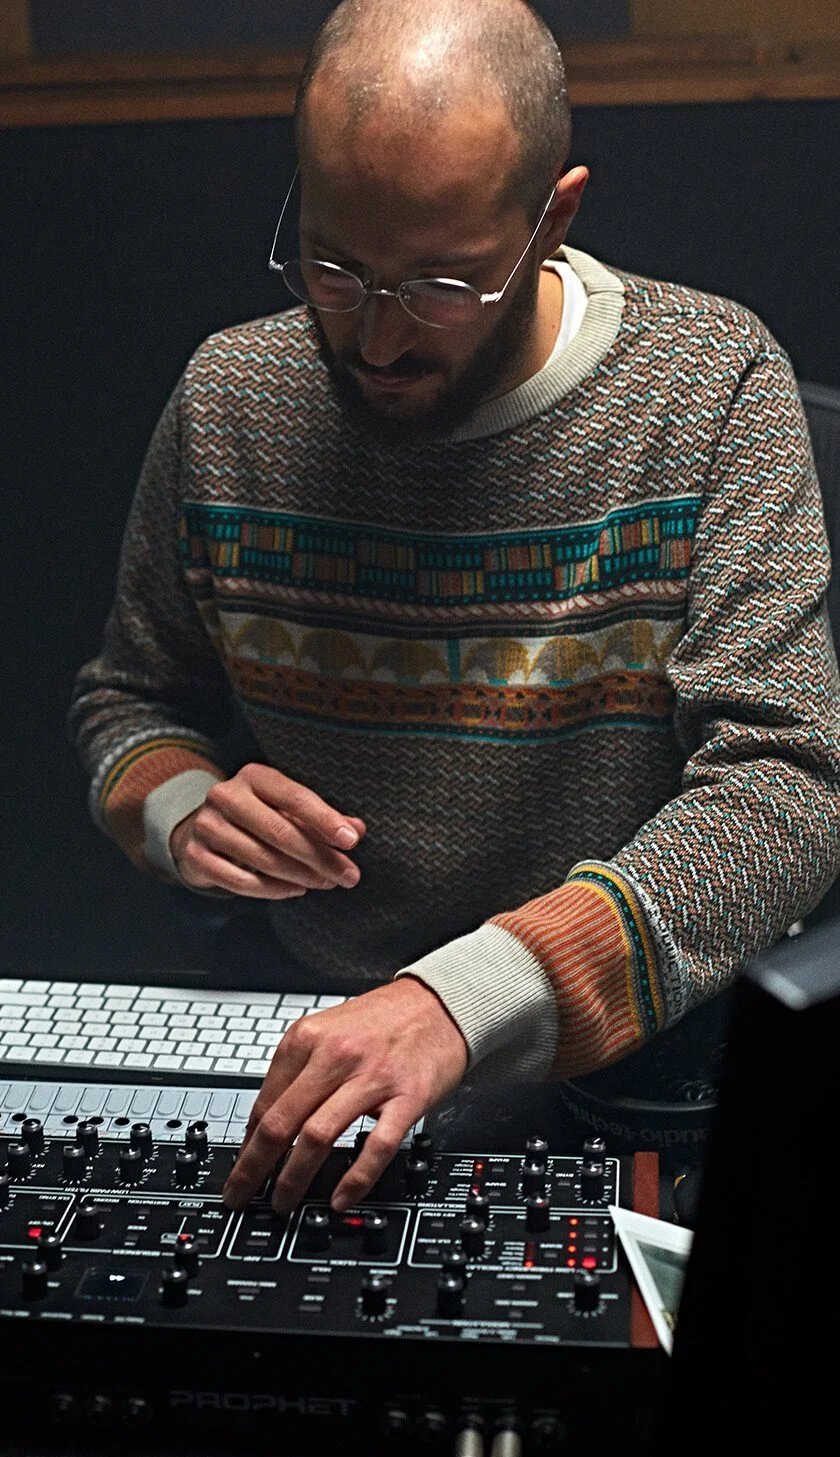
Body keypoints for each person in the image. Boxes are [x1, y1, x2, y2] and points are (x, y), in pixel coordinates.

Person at [68, 0, 840, 1218]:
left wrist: (460, 1000)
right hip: (307, 1024)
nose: (374, 337)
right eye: (332, 267)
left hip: (616, 1062)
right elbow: (130, 695)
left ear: (554, 216)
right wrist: (174, 802)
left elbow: (788, 790)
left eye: (439, 282)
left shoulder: (709, 384)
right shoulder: (230, 395)